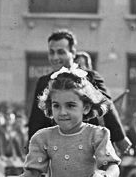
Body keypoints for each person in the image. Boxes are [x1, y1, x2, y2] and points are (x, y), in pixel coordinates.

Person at [27, 29, 130, 157]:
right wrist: (33, 149)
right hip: (57, 148)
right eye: (51, 52)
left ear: (73, 53)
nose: (55, 58)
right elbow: (36, 120)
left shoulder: (90, 77)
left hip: (88, 146)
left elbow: (106, 105)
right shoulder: (43, 82)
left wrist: (120, 137)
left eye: (61, 52)